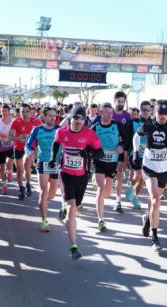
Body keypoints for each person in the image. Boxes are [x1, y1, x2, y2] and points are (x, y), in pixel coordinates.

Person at [49, 105, 103, 260]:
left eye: (82, 118)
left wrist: (87, 153)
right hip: (65, 174)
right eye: (76, 118)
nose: (79, 121)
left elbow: (100, 153)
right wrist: (53, 159)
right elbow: (56, 143)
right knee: (72, 207)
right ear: (70, 118)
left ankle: (65, 206)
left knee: (76, 204)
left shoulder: (89, 134)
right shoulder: (62, 131)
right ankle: (74, 246)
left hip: (82, 176)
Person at [133, 100, 167, 251]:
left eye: (166, 114)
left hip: (164, 169)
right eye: (160, 113)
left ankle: (148, 218)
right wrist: (135, 152)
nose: (163, 116)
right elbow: (136, 136)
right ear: (156, 112)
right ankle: (155, 238)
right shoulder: (149, 124)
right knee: (155, 200)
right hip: (149, 167)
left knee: (156, 202)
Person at [92, 103, 127, 230]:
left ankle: (102, 188)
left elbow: (126, 139)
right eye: (106, 112)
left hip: (112, 162)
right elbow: (89, 143)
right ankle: (101, 219)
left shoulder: (117, 126)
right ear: (100, 113)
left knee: (107, 193)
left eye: (110, 112)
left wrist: (121, 147)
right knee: (101, 190)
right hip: (99, 162)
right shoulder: (95, 127)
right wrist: (96, 152)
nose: (109, 114)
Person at [26, 107, 60, 232]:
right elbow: (29, 145)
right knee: (44, 191)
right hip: (43, 162)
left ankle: (51, 205)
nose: (52, 118)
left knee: (51, 194)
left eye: (54, 115)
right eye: (50, 115)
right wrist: (29, 152)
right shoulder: (37, 130)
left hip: (56, 164)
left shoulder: (59, 130)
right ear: (44, 117)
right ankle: (44, 221)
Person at [9, 104, 41, 200]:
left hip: (30, 148)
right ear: (20, 112)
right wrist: (19, 138)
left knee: (27, 167)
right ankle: (21, 188)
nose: (25, 114)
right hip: (18, 148)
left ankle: (28, 183)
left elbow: (41, 136)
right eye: (23, 111)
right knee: (19, 170)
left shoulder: (36, 122)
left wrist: (37, 149)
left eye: (27, 111)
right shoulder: (16, 121)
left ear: (31, 112)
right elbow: (10, 136)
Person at [127, 101, 152, 209]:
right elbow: (129, 138)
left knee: (142, 179)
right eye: (143, 110)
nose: (146, 112)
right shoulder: (133, 122)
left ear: (150, 111)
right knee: (139, 175)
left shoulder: (154, 123)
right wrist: (128, 153)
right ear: (140, 110)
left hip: (148, 154)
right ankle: (130, 189)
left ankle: (134, 197)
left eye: (148, 110)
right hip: (135, 153)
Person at [112, 91, 131, 211]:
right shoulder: (109, 113)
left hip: (120, 149)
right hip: (107, 150)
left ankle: (118, 202)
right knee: (107, 177)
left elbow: (128, 135)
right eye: (119, 101)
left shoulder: (127, 116)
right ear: (114, 101)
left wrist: (125, 150)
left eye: (123, 101)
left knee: (119, 174)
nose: (121, 103)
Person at [0, 104, 14, 195]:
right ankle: (4, 185)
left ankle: (10, 171)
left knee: (9, 164)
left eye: (6, 111)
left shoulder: (13, 122)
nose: (4, 112)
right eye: (2, 111)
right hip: (1, 147)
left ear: (9, 112)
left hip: (11, 146)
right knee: (2, 168)